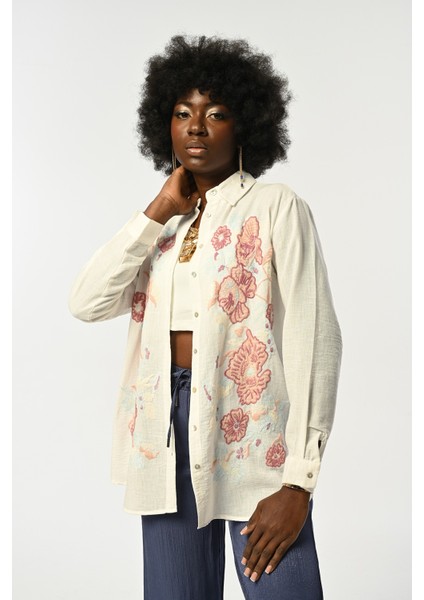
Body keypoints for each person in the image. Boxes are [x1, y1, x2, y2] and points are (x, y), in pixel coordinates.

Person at [69, 35, 343, 600]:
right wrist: (158, 210)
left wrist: (298, 481)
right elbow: (87, 302)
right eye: (182, 113)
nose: (195, 126)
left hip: (252, 429)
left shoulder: (276, 206)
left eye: (215, 113)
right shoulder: (163, 225)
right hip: (164, 431)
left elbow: (315, 339)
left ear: (246, 127)